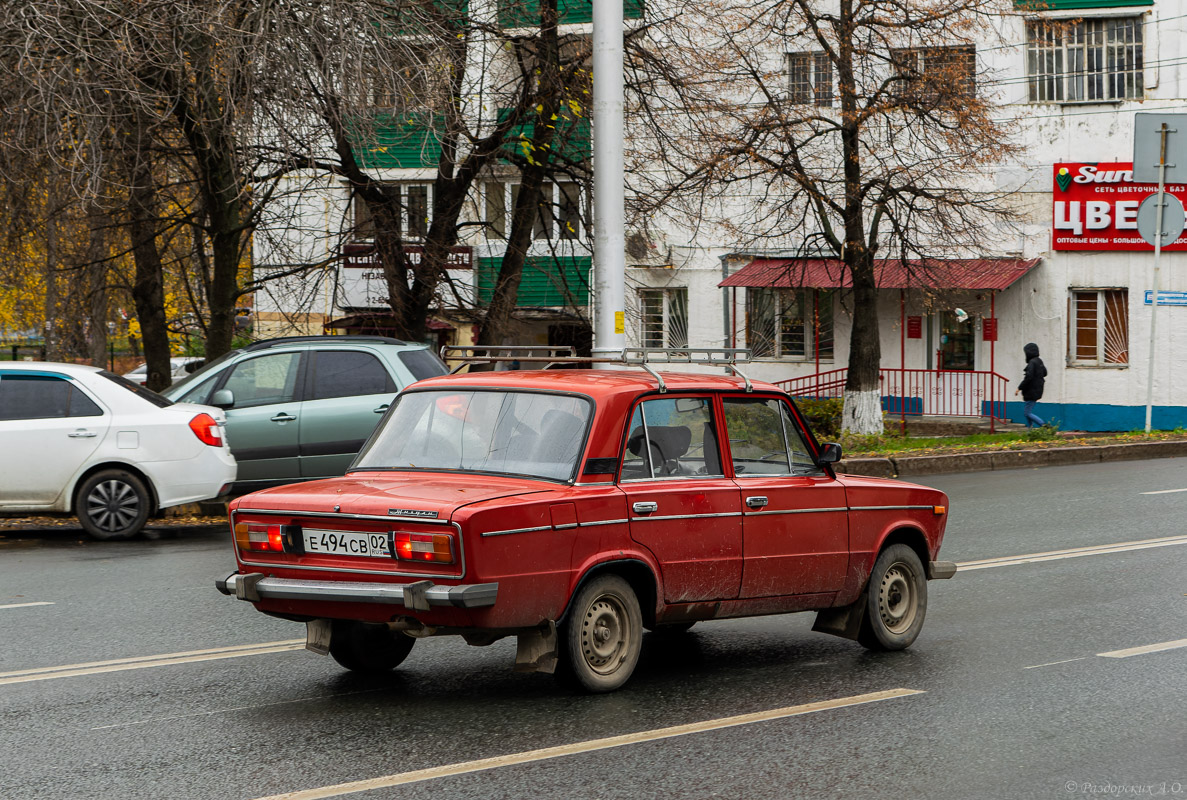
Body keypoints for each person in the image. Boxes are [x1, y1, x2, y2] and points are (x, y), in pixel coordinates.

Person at [1015, 342, 1047, 428]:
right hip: (1038, 389)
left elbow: (1028, 377)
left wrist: (1019, 388)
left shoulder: (1032, 363)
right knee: (1027, 412)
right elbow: (1045, 373)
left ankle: (1043, 424)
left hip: (1031, 391)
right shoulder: (1039, 361)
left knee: (1027, 413)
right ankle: (1030, 430)